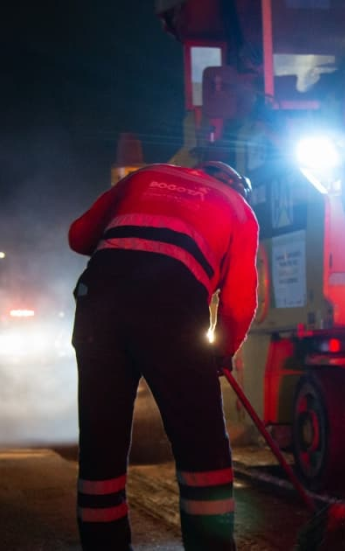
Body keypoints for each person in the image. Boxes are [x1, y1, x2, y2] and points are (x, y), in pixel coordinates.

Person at [68, 161, 259, 550]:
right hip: (171, 308)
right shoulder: (239, 209)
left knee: (101, 447)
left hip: (98, 305)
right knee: (201, 447)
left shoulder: (145, 176)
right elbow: (239, 303)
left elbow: (78, 237)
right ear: (236, 185)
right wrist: (221, 351)